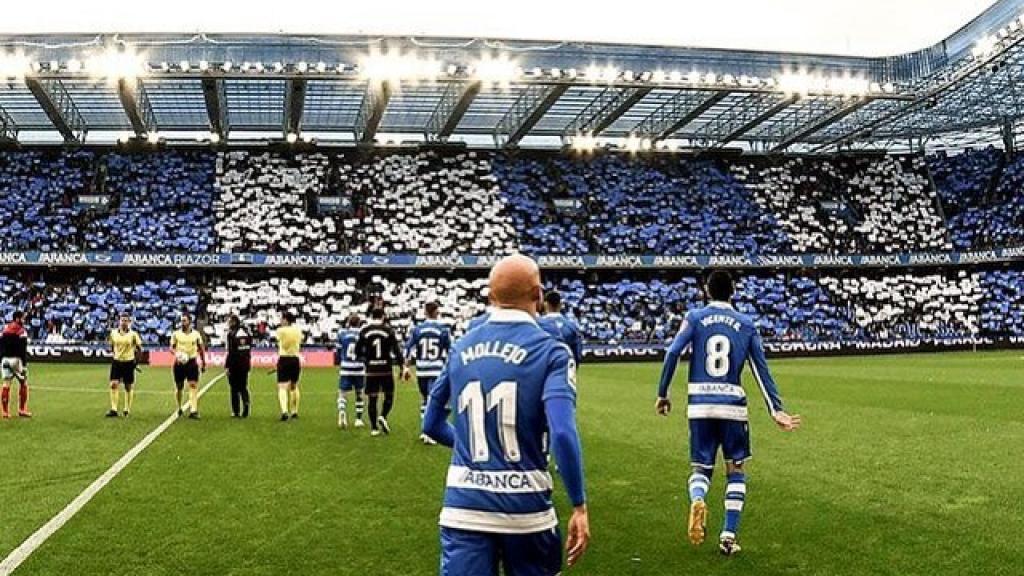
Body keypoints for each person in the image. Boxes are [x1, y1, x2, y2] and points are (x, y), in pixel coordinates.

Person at [422, 254, 590, 575]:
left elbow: (430, 423)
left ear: (491, 295)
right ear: (538, 295)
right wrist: (579, 504)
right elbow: (563, 433)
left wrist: (469, 449)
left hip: (463, 506)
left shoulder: (460, 348)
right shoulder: (552, 351)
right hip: (526, 511)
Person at [655, 270, 802, 556]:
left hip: (700, 405)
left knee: (701, 468)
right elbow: (761, 370)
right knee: (736, 470)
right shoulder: (746, 324)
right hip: (732, 406)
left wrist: (663, 393)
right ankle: (728, 536)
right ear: (732, 292)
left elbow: (672, 352)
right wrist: (776, 410)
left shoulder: (695, 318)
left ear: (707, 291)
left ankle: (698, 498)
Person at [401, 301, 451, 444]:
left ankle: (425, 431)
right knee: (432, 399)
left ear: (425, 312)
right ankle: (429, 433)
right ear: (436, 312)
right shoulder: (443, 329)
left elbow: (408, 348)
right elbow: (450, 350)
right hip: (436, 368)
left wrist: (406, 367)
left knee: (424, 399)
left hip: (421, 369)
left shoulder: (417, 329)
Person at [355, 307, 403, 436]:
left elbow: (357, 350)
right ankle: (383, 415)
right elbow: (396, 350)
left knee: (372, 398)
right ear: (382, 316)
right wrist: (401, 366)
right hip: (386, 368)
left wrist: (366, 359)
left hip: (371, 370)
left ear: (371, 316)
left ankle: (374, 428)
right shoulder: (388, 330)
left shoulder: (365, 331)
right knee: (389, 395)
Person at [170, 314, 206, 419]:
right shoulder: (176, 334)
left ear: (190, 321)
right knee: (179, 387)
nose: (182, 323)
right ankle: (179, 407)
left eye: (184, 321)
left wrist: (203, 362)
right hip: (179, 363)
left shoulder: (196, 334)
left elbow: (201, 348)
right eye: (181, 321)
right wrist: (177, 354)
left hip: (191, 362)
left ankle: (193, 410)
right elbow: (171, 348)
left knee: (193, 385)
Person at [107, 313, 143, 418]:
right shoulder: (113, 333)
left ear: (129, 322)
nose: (124, 322)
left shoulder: (133, 335)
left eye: (126, 321)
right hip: (117, 361)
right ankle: (114, 409)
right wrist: (115, 355)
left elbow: (140, 348)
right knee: (113, 384)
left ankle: (127, 409)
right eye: (122, 320)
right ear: (119, 321)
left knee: (128, 386)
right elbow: (112, 345)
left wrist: (136, 362)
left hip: (128, 362)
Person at [335, 314, 366, 429]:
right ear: (359, 323)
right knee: (359, 393)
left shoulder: (342, 334)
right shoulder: (362, 335)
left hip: (346, 367)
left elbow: (338, 351)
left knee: (342, 392)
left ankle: (342, 411)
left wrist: (342, 359)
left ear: (349, 322)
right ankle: (358, 419)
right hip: (359, 367)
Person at [538, 290, 584, 365]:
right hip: (564, 368)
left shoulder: (537, 325)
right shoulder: (571, 326)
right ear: (560, 304)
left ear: (545, 304)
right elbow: (577, 353)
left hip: (543, 368)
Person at [0, 311, 31, 419]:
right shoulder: (21, 331)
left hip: (5, 360)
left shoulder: (5, 329)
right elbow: (22, 349)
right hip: (16, 360)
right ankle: (22, 409)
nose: (24, 320)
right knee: (23, 383)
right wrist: (24, 364)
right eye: (22, 318)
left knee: (6, 384)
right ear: (17, 319)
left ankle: (5, 412)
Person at [275, 311, 304, 422]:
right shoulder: (298, 330)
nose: (281, 321)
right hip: (295, 359)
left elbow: (280, 342)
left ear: (286, 320)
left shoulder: (280, 330)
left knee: (282, 387)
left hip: (284, 358)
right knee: (294, 386)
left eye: (282, 319)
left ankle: (284, 411)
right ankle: (295, 411)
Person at [225, 315, 252, 418]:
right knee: (243, 387)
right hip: (245, 363)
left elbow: (231, 352)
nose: (228, 324)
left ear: (234, 322)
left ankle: (236, 411)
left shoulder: (231, 334)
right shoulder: (247, 333)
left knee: (234, 388)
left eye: (230, 322)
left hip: (235, 364)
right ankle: (246, 403)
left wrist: (227, 366)